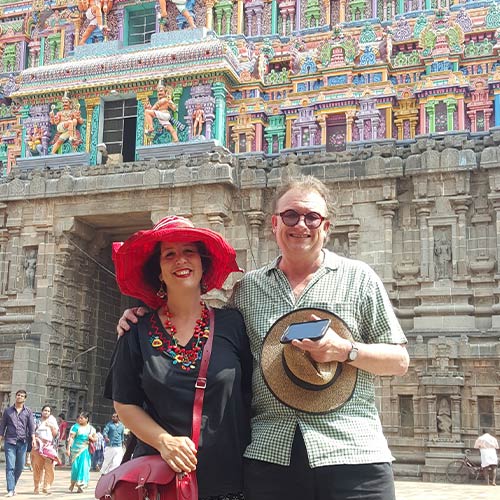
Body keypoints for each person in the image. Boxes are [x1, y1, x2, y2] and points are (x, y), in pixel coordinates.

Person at [118, 176, 410, 500]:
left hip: (351, 454)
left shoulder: (359, 280)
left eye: (312, 217)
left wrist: (345, 350)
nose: (301, 224)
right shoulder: (247, 291)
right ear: (274, 224)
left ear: (326, 227)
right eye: (290, 216)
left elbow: (399, 361)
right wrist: (146, 316)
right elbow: (201, 327)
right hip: (271, 458)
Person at [106, 216, 251, 500]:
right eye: (169, 254)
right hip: (160, 482)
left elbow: (251, 395)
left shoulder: (233, 324)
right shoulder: (136, 330)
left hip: (228, 481)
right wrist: (164, 442)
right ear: (159, 271)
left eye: (189, 252)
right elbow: (124, 401)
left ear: (203, 262)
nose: (180, 260)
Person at [0, 389, 36, 497]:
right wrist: (0, 439)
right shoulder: (8, 411)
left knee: (20, 467)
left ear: (25, 399)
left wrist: (33, 438)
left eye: (22, 396)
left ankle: (13, 486)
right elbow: (2, 426)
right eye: (18, 395)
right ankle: (10, 489)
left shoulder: (28, 412)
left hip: (23, 442)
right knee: (10, 466)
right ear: (15, 396)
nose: (19, 397)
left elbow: (31, 426)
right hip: (10, 441)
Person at [66, 411, 97, 493]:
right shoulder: (75, 427)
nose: (79, 419)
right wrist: (68, 448)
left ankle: (81, 485)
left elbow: (95, 439)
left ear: (86, 419)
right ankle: (74, 483)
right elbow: (71, 438)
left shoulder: (91, 429)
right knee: (75, 468)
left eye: (82, 418)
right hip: (75, 450)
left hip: (85, 450)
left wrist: (91, 438)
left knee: (83, 467)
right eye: (79, 417)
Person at [31, 405, 59, 494]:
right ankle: (36, 487)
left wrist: (51, 426)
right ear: (42, 411)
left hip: (49, 447)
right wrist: (35, 441)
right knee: (37, 467)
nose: (46, 412)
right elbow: (32, 432)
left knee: (50, 467)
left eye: (48, 411)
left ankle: (46, 487)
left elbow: (55, 435)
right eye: (45, 410)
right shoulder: (36, 421)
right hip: (38, 446)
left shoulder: (52, 422)